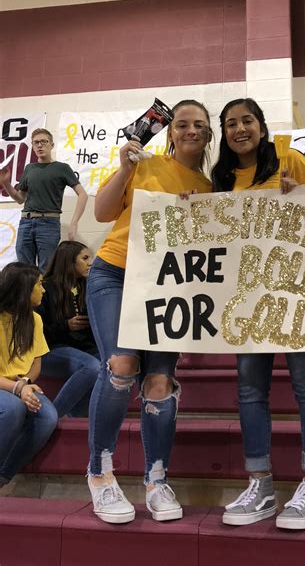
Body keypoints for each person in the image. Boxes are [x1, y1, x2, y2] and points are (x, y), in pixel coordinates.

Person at [87, 100, 212, 524]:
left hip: (167, 284)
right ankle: (100, 474)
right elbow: (103, 212)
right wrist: (124, 167)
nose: (190, 130)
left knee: (159, 383)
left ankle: (157, 480)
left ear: (208, 134)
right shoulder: (144, 163)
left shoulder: (213, 190)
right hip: (116, 274)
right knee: (121, 365)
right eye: (182, 124)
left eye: (199, 124)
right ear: (170, 132)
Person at [212, 98, 305, 531]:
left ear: (261, 126)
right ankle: (259, 482)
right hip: (246, 301)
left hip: (296, 293)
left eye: (247, 120)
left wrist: (299, 193)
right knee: (249, 392)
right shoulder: (222, 178)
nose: (239, 129)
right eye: (230, 124)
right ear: (224, 133)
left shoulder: (289, 158)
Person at [0, 262, 58, 489]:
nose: (43, 290)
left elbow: (36, 363)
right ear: (24, 288)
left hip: (21, 385)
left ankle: (4, 476)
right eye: (39, 285)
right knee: (14, 408)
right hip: (7, 387)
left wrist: (25, 382)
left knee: (48, 418)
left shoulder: (35, 319)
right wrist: (18, 389)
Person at [0, 128, 88, 272]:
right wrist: (6, 183)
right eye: (36, 143)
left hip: (48, 223)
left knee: (46, 270)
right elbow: (20, 199)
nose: (39, 145)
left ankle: (45, 295)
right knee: (24, 270)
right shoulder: (29, 168)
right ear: (33, 146)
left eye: (43, 142)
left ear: (51, 145)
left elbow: (82, 194)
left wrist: (74, 222)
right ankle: (27, 295)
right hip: (26, 222)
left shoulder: (62, 168)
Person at [37, 241, 100, 418]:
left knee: (110, 365)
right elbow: (38, 334)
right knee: (92, 366)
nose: (91, 262)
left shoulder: (89, 286)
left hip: (82, 348)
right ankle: (52, 417)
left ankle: (78, 421)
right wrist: (66, 326)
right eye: (85, 258)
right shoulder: (45, 289)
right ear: (69, 261)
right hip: (50, 350)